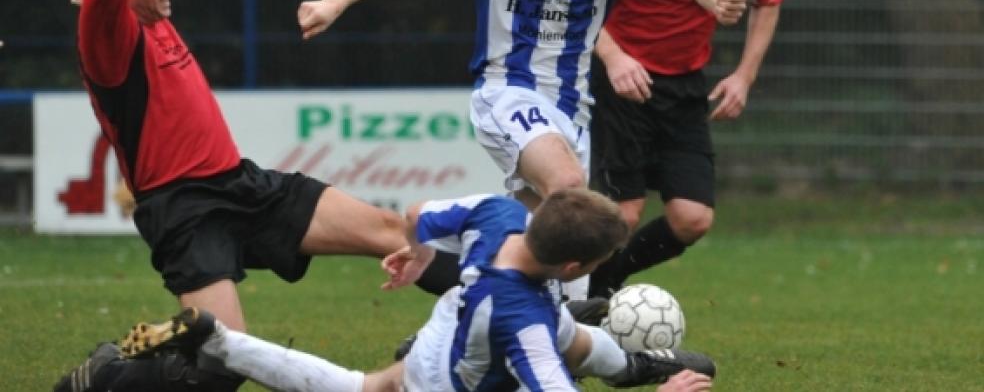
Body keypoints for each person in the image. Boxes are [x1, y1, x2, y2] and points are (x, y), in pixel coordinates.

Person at [298, 0, 745, 301]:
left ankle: (473, 299)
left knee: (555, 275)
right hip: (506, 93)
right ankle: (433, 216)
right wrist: (334, 2)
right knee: (570, 191)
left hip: (574, 110)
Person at [60, 0, 407, 390]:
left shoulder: (148, 11)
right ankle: (110, 374)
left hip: (241, 184)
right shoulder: (110, 36)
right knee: (222, 370)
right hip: (183, 209)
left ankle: (515, 322)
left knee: (397, 231)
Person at [58, 189, 715, 392]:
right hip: (453, 364)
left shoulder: (502, 215)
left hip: (457, 314)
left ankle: (214, 338)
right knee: (362, 389)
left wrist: (419, 245)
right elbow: (549, 374)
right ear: (572, 265)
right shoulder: (523, 321)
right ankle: (645, 373)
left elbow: (428, 211)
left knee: (574, 338)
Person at [587, 0, 784, 299]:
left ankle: (607, 280)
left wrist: (744, 76)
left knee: (693, 218)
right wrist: (614, 57)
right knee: (624, 214)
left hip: (684, 85)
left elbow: (768, 1)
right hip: (624, 80)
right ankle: (582, 298)